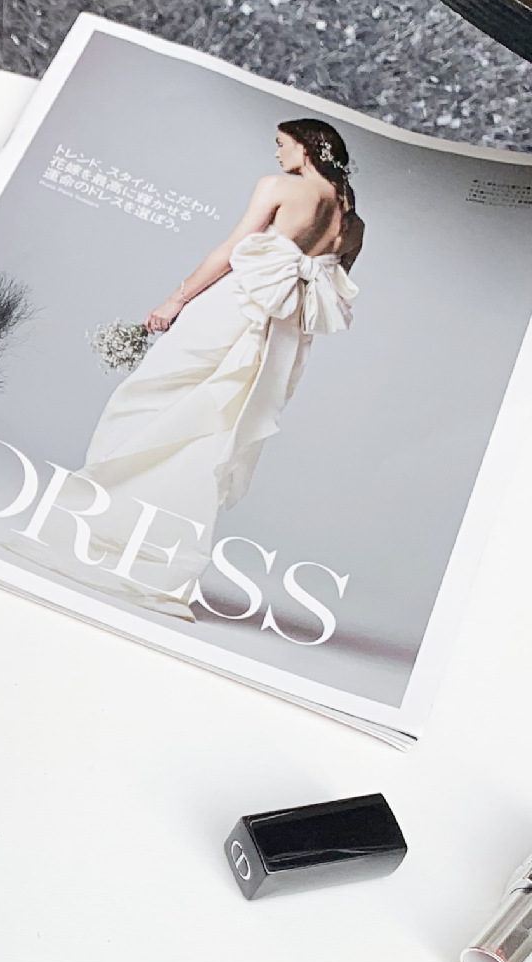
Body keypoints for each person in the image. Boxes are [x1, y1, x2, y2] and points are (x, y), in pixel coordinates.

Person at [55, 119, 364, 620]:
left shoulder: (279, 187)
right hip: (279, 335)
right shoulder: (354, 225)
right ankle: (151, 553)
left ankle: (101, 529)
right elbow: (322, 291)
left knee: (146, 400)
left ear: (308, 149)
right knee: (212, 434)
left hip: (232, 308)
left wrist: (174, 300)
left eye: (282, 145)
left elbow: (230, 252)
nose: (277, 154)